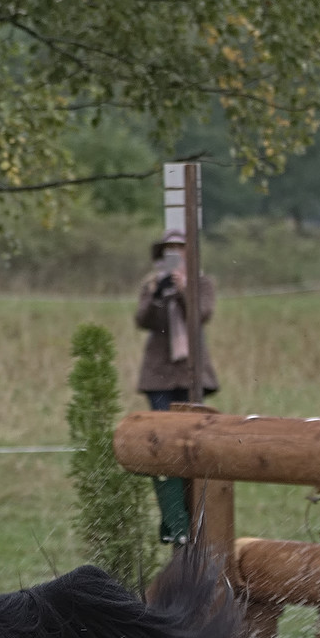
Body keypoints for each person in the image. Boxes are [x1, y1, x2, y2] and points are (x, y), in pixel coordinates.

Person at [135, 229, 217, 544]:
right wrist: (159, 295)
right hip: (159, 375)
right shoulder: (152, 283)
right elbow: (143, 320)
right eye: (170, 250)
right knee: (161, 445)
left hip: (192, 373)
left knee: (193, 447)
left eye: (180, 250)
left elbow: (202, 315)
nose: (176, 255)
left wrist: (183, 291)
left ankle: (193, 519)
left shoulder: (202, 283)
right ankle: (174, 521)